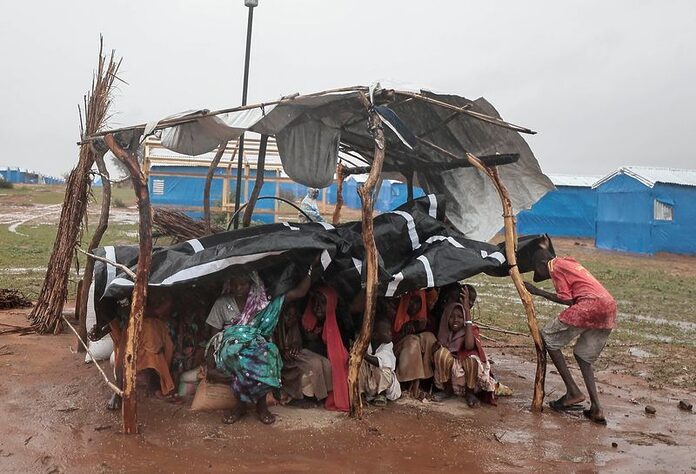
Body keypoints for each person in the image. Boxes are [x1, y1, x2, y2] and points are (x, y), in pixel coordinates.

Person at [208, 266, 315, 425]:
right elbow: (214, 338)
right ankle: (240, 406)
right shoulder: (222, 303)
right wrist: (210, 365)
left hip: (257, 346)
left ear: (252, 284)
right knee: (237, 354)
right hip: (230, 348)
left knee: (268, 352)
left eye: (242, 284)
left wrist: (310, 266)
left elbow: (300, 292)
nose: (238, 288)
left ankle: (261, 406)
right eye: (235, 284)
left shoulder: (263, 304)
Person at [524, 248, 617, 425]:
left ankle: (573, 391)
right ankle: (597, 408)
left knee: (547, 337)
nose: (539, 275)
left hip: (590, 306)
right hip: (608, 306)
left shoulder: (555, 267)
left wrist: (538, 292)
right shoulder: (568, 261)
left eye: (537, 270)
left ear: (542, 265)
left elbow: (567, 299)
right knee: (583, 357)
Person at [106, 291, 178, 410]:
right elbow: (127, 311)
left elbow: (163, 308)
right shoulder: (126, 291)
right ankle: (119, 391)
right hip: (133, 326)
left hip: (152, 327)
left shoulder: (161, 292)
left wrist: (147, 311)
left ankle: (156, 387)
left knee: (154, 350)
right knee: (124, 353)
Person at [432, 285, 497, 407]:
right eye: (452, 317)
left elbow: (468, 346)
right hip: (453, 376)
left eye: (460, 317)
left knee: (471, 358)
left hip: (467, 376)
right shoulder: (446, 329)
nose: (455, 320)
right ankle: (447, 390)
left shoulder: (470, 329)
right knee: (441, 354)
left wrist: (467, 311)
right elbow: (441, 345)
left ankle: (470, 392)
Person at [301, 286, 350, 411]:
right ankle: (311, 396)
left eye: (322, 303)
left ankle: (328, 395)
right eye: (315, 302)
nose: (317, 307)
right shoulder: (307, 319)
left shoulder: (340, 323)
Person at [276, 301, 333, 408]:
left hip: (295, 355)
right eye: (288, 315)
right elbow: (273, 347)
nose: (290, 319)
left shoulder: (294, 326)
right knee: (314, 364)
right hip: (282, 361)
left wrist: (295, 346)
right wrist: (283, 351)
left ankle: (325, 394)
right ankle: (307, 397)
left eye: (293, 316)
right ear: (282, 314)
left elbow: (298, 342)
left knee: (325, 363)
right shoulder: (276, 327)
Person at [391, 290, 438, 399]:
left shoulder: (420, 318)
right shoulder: (394, 311)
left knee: (429, 338)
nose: (414, 307)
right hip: (394, 350)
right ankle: (411, 387)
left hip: (411, 345)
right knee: (412, 342)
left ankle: (426, 382)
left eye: (418, 303)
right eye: (411, 303)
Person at [358, 317, 401, 406]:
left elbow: (381, 362)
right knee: (359, 364)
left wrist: (363, 354)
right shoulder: (366, 343)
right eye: (386, 332)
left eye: (390, 331)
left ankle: (382, 394)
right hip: (368, 383)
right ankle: (361, 394)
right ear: (375, 335)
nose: (390, 333)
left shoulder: (388, 345)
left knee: (383, 369)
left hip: (382, 383)